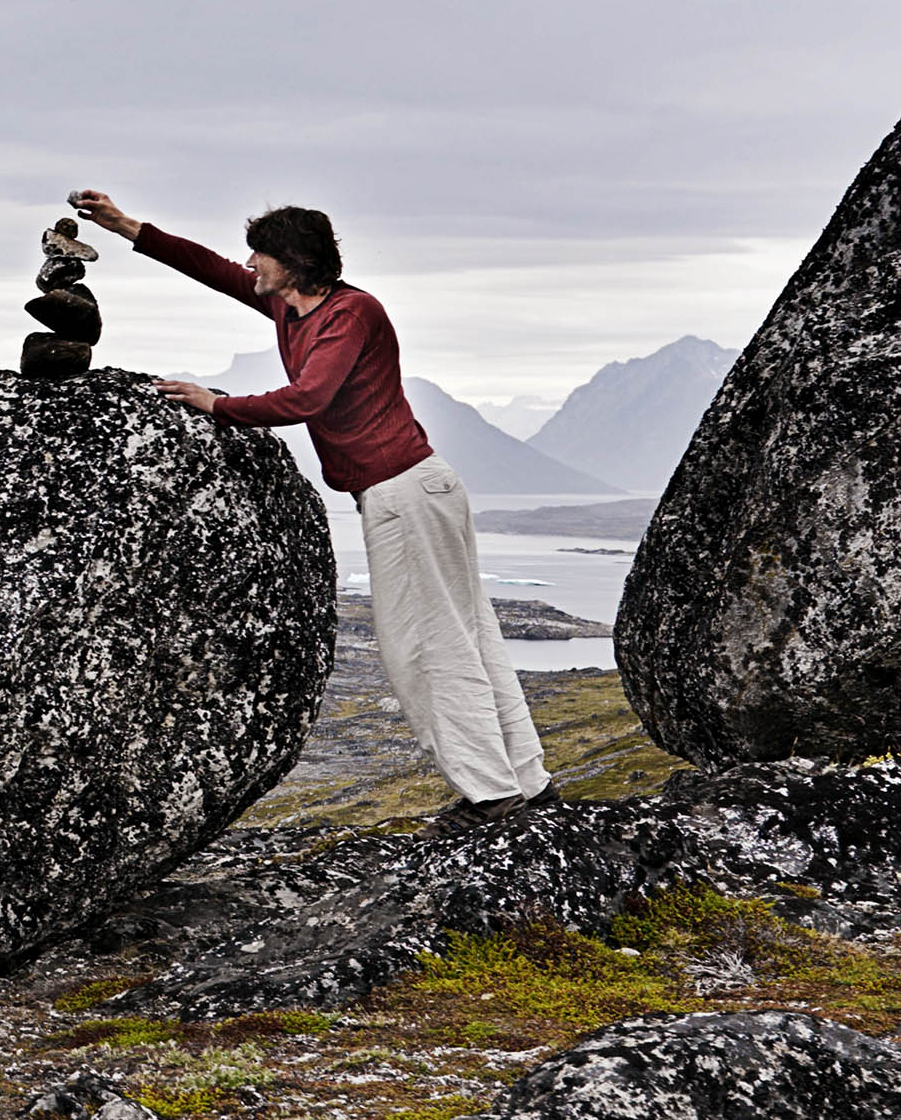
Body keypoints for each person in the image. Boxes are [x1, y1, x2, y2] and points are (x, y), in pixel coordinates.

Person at [67, 189, 549, 826]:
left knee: (426, 648)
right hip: (419, 489)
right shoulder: (292, 309)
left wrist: (217, 405)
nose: (251, 264)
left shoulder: (349, 315)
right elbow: (210, 268)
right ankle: (529, 785)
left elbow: (306, 399)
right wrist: (127, 226)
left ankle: (492, 794)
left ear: (292, 262)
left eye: (261, 255)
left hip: (405, 494)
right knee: (472, 638)